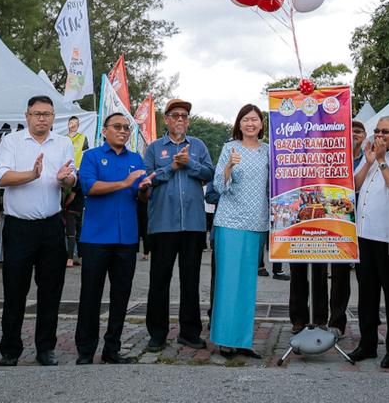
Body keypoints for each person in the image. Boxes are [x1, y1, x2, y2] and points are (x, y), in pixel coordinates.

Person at [0, 95, 78, 366]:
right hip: (19, 227)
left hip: (52, 226)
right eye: (37, 113)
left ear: (54, 117)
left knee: (51, 290)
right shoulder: (12, 141)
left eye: (48, 114)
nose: (42, 118)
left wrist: (68, 180)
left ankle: (45, 348)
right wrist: (31, 174)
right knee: (15, 290)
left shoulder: (63, 143)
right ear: (26, 115)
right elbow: (1, 177)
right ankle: (10, 349)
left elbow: (71, 179)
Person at [75, 112, 153, 364]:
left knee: (121, 296)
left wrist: (143, 189)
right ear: (105, 131)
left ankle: (112, 349)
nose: (122, 131)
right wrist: (125, 182)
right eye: (117, 126)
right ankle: (85, 351)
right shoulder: (91, 157)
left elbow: (140, 197)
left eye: (126, 128)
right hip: (96, 238)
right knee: (90, 295)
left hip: (126, 238)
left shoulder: (136, 158)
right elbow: (90, 187)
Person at [143, 98, 215, 352]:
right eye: (175, 115)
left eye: (184, 115)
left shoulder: (198, 145)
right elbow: (147, 180)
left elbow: (210, 174)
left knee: (191, 279)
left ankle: (189, 332)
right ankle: (158, 333)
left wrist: (190, 164)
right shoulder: (154, 149)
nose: (180, 120)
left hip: (193, 225)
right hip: (163, 225)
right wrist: (172, 167)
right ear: (167, 119)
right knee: (159, 281)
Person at [347, 116, 389, 368]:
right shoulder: (369, 157)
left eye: (385, 131)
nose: (379, 135)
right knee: (367, 294)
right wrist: (370, 161)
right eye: (376, 131)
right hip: (364, 235)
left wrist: (382, 160)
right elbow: (353, 186)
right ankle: (368, 343)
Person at [210, 104, 270, 359]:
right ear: (239, 123)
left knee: (247, 284)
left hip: (257, 223)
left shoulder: (269, 151)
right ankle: (225, 340)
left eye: (255, 119)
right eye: (246, 119)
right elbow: (217, 187)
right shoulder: (229, 148)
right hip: (230, 223)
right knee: (227, 283)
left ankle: (243, 340)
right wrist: (229, 169)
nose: (250, 123)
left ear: (261, 124)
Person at [65, 115, 88, 268]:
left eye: (75, 122)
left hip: (78, 172)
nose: (72, 124)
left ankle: (74, 256)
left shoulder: (83, 138)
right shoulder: (62, 139)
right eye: (70, 122)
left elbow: (85, 154)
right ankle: (77, 255)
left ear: (78, 125)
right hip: (66, 172)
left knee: (75, 225)